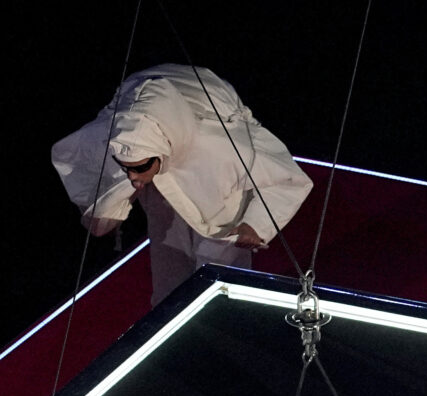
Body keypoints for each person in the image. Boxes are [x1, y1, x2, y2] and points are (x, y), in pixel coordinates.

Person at [53, 64, 312, 305]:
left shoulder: (221, 147)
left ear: (160, 153)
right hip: (153, 114)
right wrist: (108, 213)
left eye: (140, 167)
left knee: (222, 256)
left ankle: (226, 313)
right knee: (169, 256)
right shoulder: (108, 140)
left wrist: (256, 224)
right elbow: (77, 165)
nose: (132, 177)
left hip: (207, 125)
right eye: (126, 168)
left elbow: (290, 180)